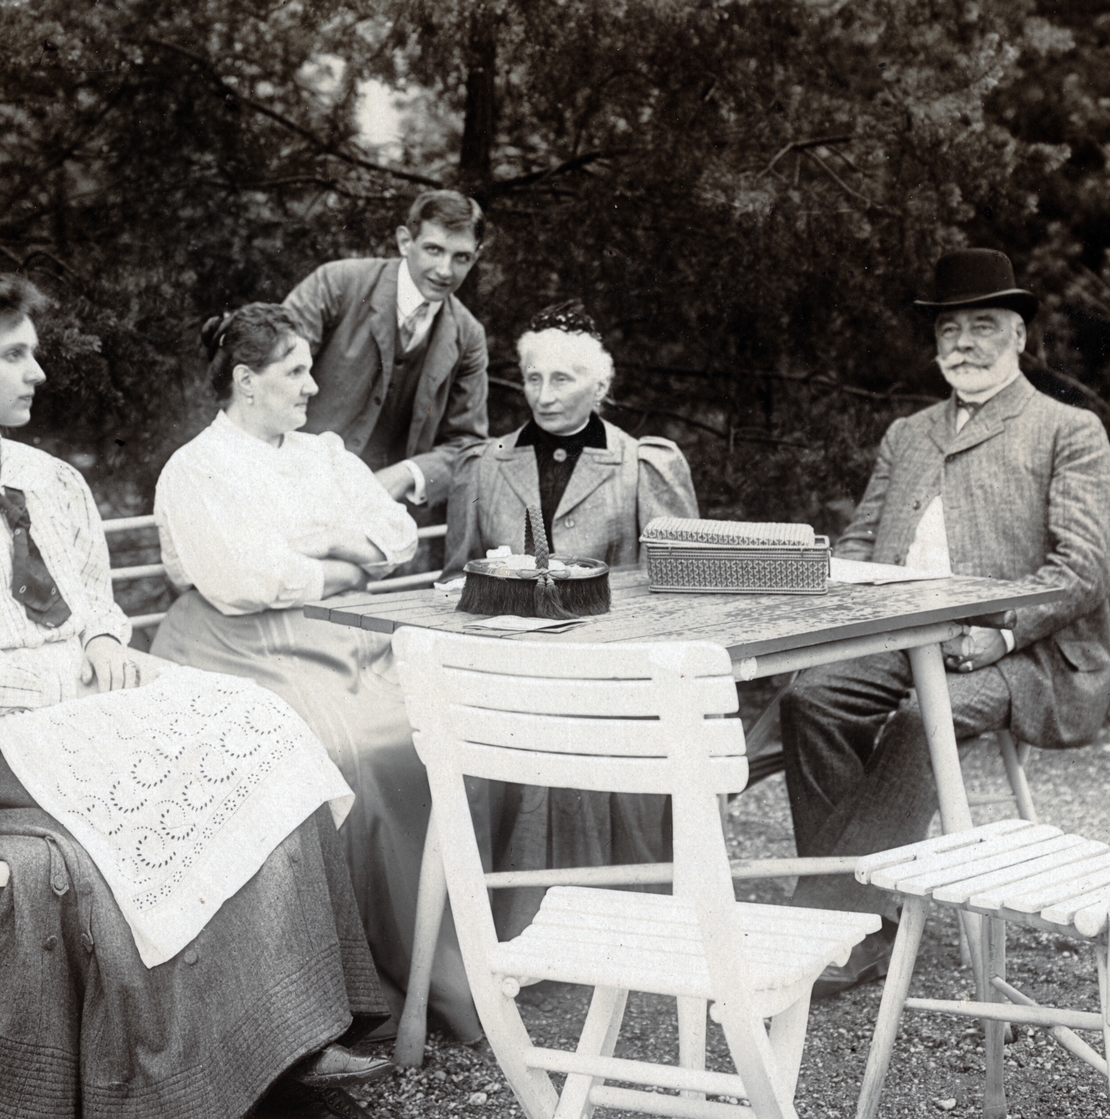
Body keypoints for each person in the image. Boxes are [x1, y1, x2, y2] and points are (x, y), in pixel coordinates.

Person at [0, 254, 390, 1119]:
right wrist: (68, 672)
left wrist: (99, 636)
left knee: (267, 731)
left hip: (91, 720)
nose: (37, 372)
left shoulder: (52, 481)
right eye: (14, 354)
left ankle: (281, 1038)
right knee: (153, 828)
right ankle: (178, 1077)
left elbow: (96, 602)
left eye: (35, 352)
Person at [779, 248, 1110, 996]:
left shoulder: (1068, 430)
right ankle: (868, 916)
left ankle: (832, 927)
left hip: (1024, 652)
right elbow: (860, 546)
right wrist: (838, 617)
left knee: (920, 721)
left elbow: (1084, 569)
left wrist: (1000, 630)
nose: (963, 344)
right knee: (811, 699)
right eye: (948, 330)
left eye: (983, 326)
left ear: (1020, 336)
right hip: (902, 636)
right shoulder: (909, 433)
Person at [149, 303, 484, 1045]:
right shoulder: (198, 469)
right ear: (247, 381)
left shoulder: (322, 454)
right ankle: (354, 983)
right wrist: (340, 565)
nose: (312, 386)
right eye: (295, 372)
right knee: (347, 752)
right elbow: (243, 581)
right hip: (232, 648)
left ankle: (453, 954)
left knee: (437, 728)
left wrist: (323, 543)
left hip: (338, 639)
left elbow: (395, 537)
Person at [443, 300, 700, 938]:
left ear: (600, 386)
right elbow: (456, 583)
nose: (545, 395)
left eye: (563, 379)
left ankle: (614, 925)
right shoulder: (485, 465)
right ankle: (517, 928)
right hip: (507, 674)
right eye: (534, 378)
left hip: (612, 676)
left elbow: (678, 592)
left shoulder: (643, 463)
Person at [282, 189, 489, 514]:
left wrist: (406, 474)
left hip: (382, 513)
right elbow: (271, 376)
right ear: (405, 241)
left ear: (474, 258)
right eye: (433, 250)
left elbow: (468, 446)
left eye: (460, 257)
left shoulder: (469, 336)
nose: (445, 270)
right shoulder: (337, 284)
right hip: (290, 487)